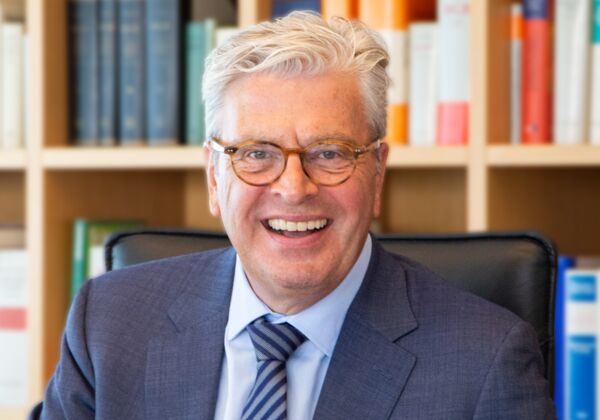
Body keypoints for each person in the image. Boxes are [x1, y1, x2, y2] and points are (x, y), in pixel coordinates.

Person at [33, 11, 554, 419]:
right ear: (215, 177)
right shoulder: (110, 323)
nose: (293, 188)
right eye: (256, 153)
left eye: (329, 153)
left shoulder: (485, 360)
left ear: (377, 172)